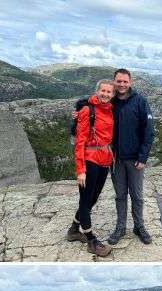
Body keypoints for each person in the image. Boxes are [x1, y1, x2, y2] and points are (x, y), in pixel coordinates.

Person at [66, 79, 115, 257]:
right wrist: (81, 170)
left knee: (92, 200)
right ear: (97, 91)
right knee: (86, 202)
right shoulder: (88, 110)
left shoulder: (110, 109)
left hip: (104, 160)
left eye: (109, 92)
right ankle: (91, 240)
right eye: (103, 91)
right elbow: (80, 141)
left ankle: (73, 230)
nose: (105, 94)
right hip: (90, 159)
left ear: (113, 95)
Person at [107, 68, 155, 245]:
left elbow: (149, 131)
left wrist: (142, 158)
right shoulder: (109, 102)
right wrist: (79, 111)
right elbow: (91, 110)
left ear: (130, 82)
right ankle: (120, 227)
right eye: (118, 81)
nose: (122, 84)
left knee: (137, 195)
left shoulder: (140, 101)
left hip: (135, 159)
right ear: (114, 81)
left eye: (125, 81)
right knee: (120, 195)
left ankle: (139, 226)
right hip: (116, 159)